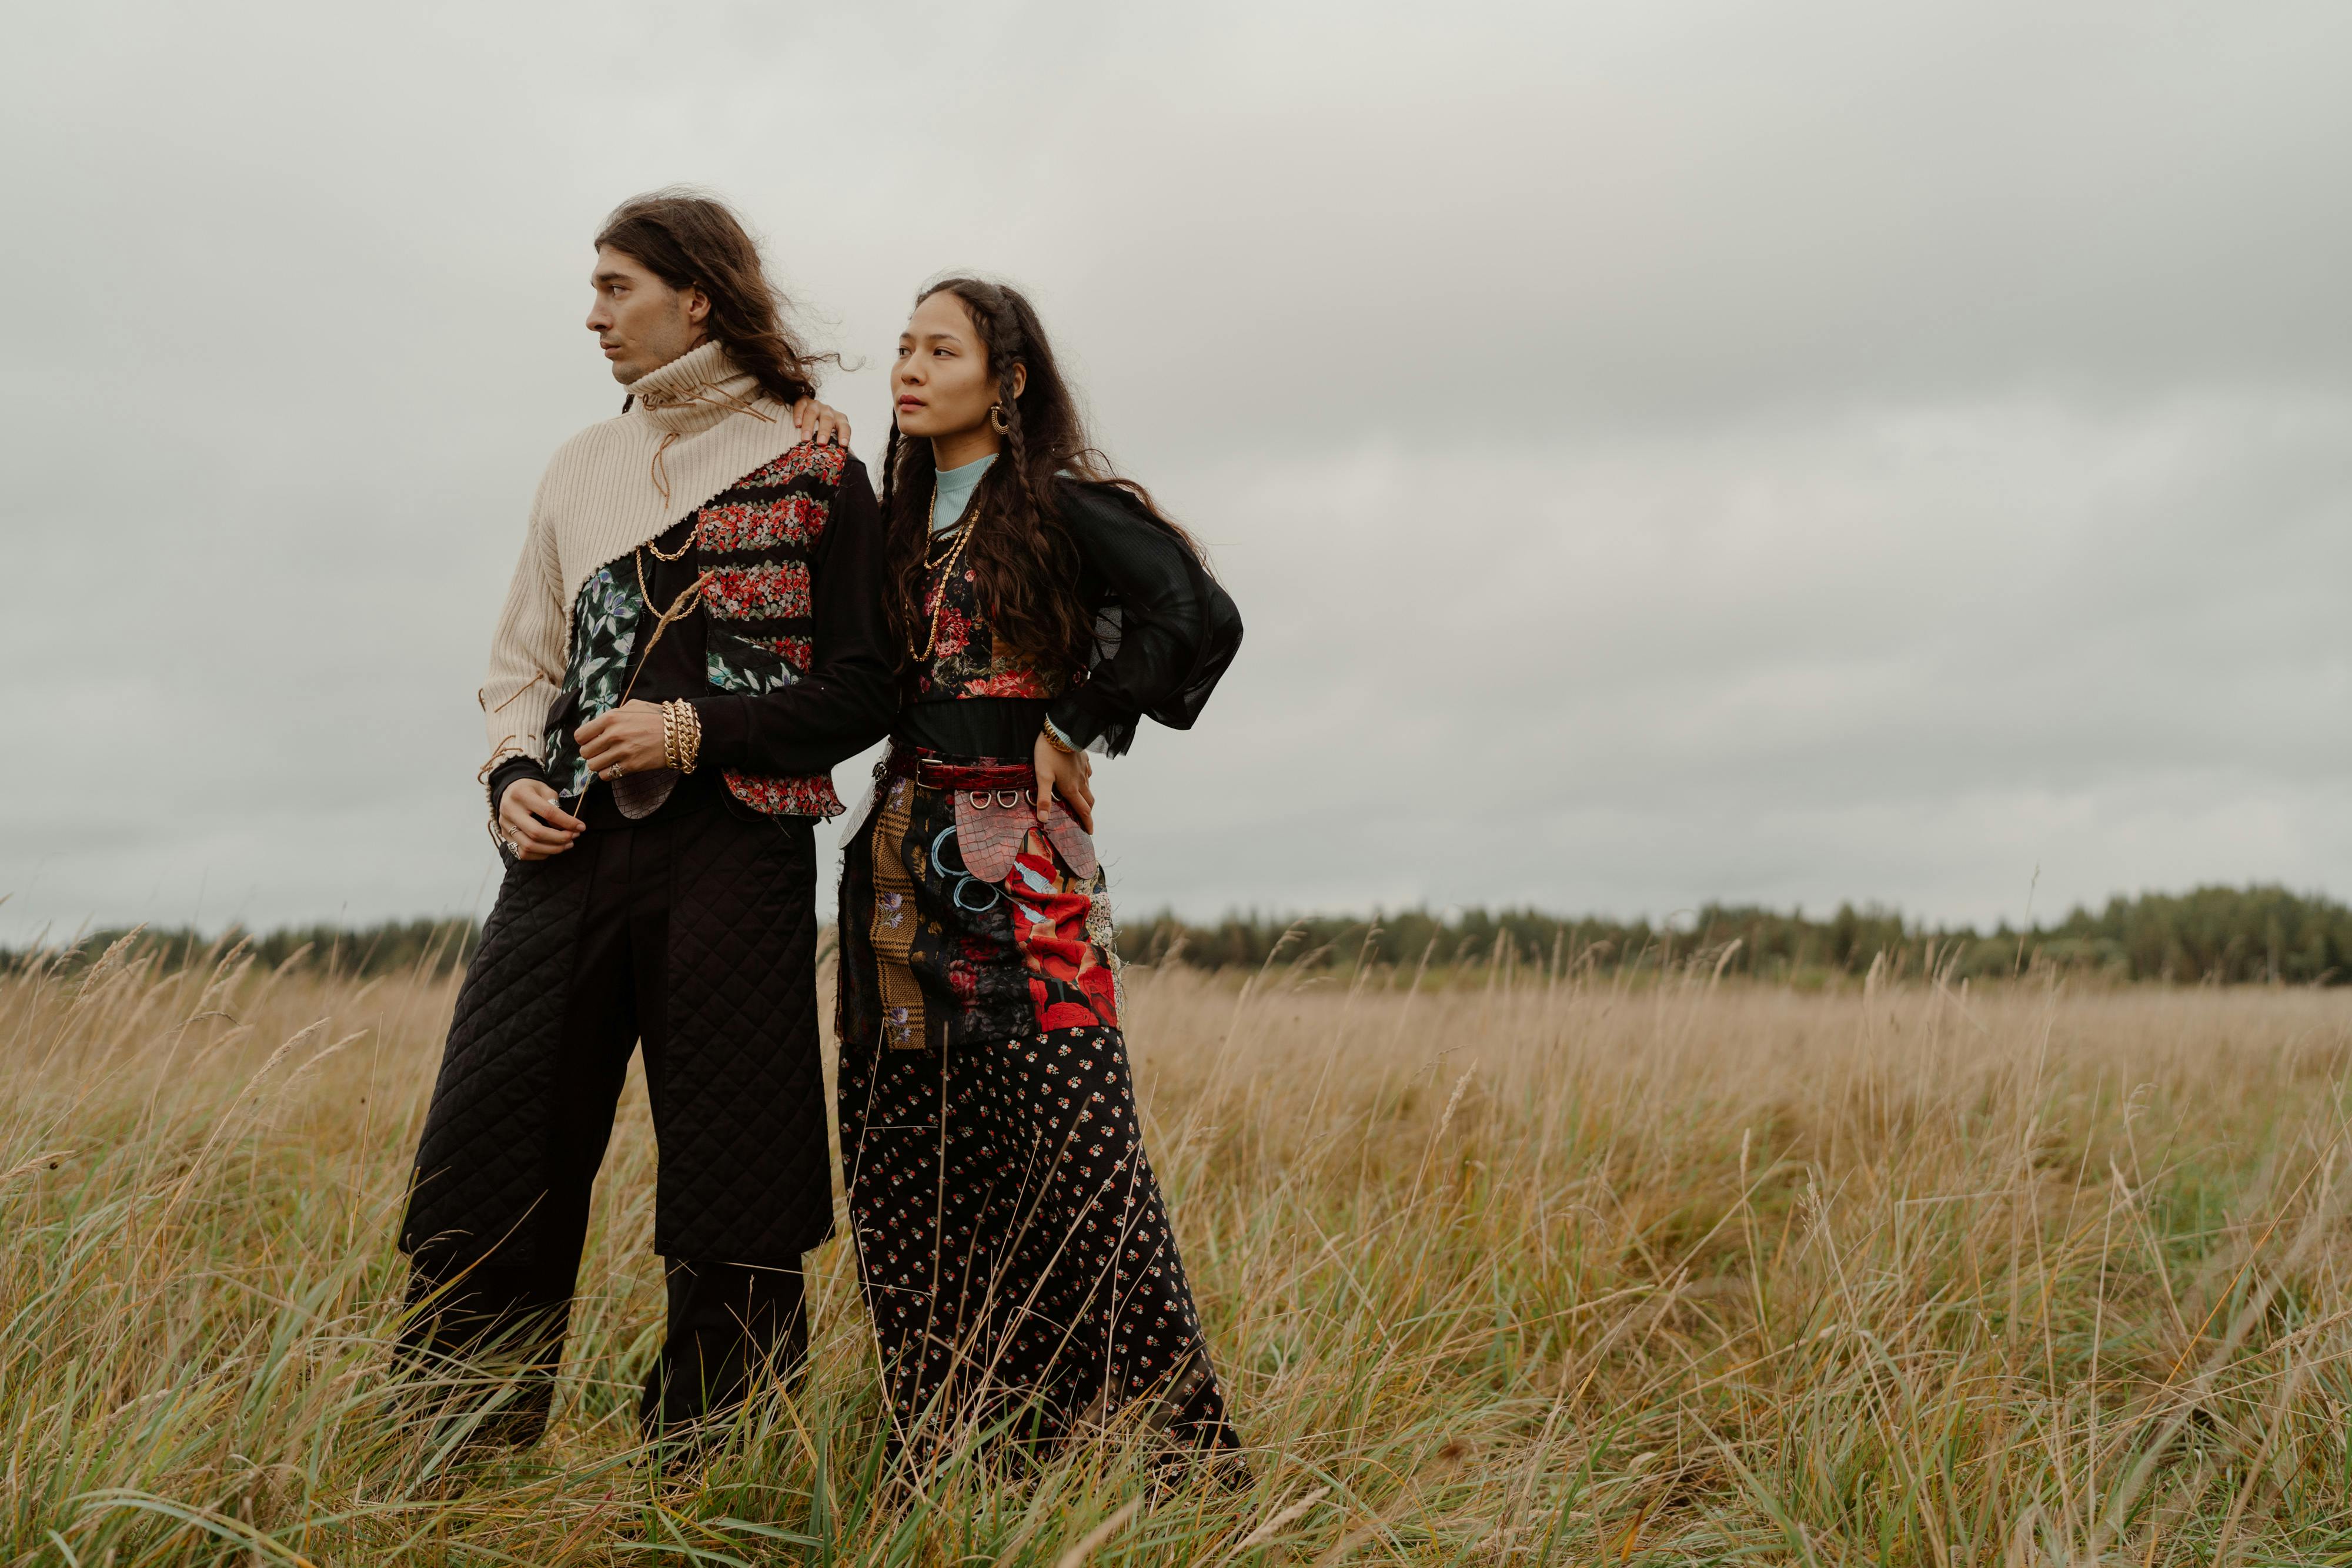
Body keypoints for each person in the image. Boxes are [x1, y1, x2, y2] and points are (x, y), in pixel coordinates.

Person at [396, 188, 891, 1456]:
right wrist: (510, 776)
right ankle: (450, 1457)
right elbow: (520, 663)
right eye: (595, 285)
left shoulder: (819, 459)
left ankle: (708, 1472)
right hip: (563, 854)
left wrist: (693, 732)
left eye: (618, 286)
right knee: (490, 1142)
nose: (594, 312)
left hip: (739, 855)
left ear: (700, 298)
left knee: (737, 1170)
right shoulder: (578, 466)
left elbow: (863, 685)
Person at [833, 276, 1246, 1471]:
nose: (907, 366)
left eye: (939, 349)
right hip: (894, 867)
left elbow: (1194, 610)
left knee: (1081, 1162)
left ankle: (1183, 1466)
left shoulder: (1062, 504)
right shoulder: (888, 516)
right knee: (909, 1166)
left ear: (1005, 381)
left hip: (1025, 864)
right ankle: (966, 1458)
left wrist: (1074, 718)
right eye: (901, 347)